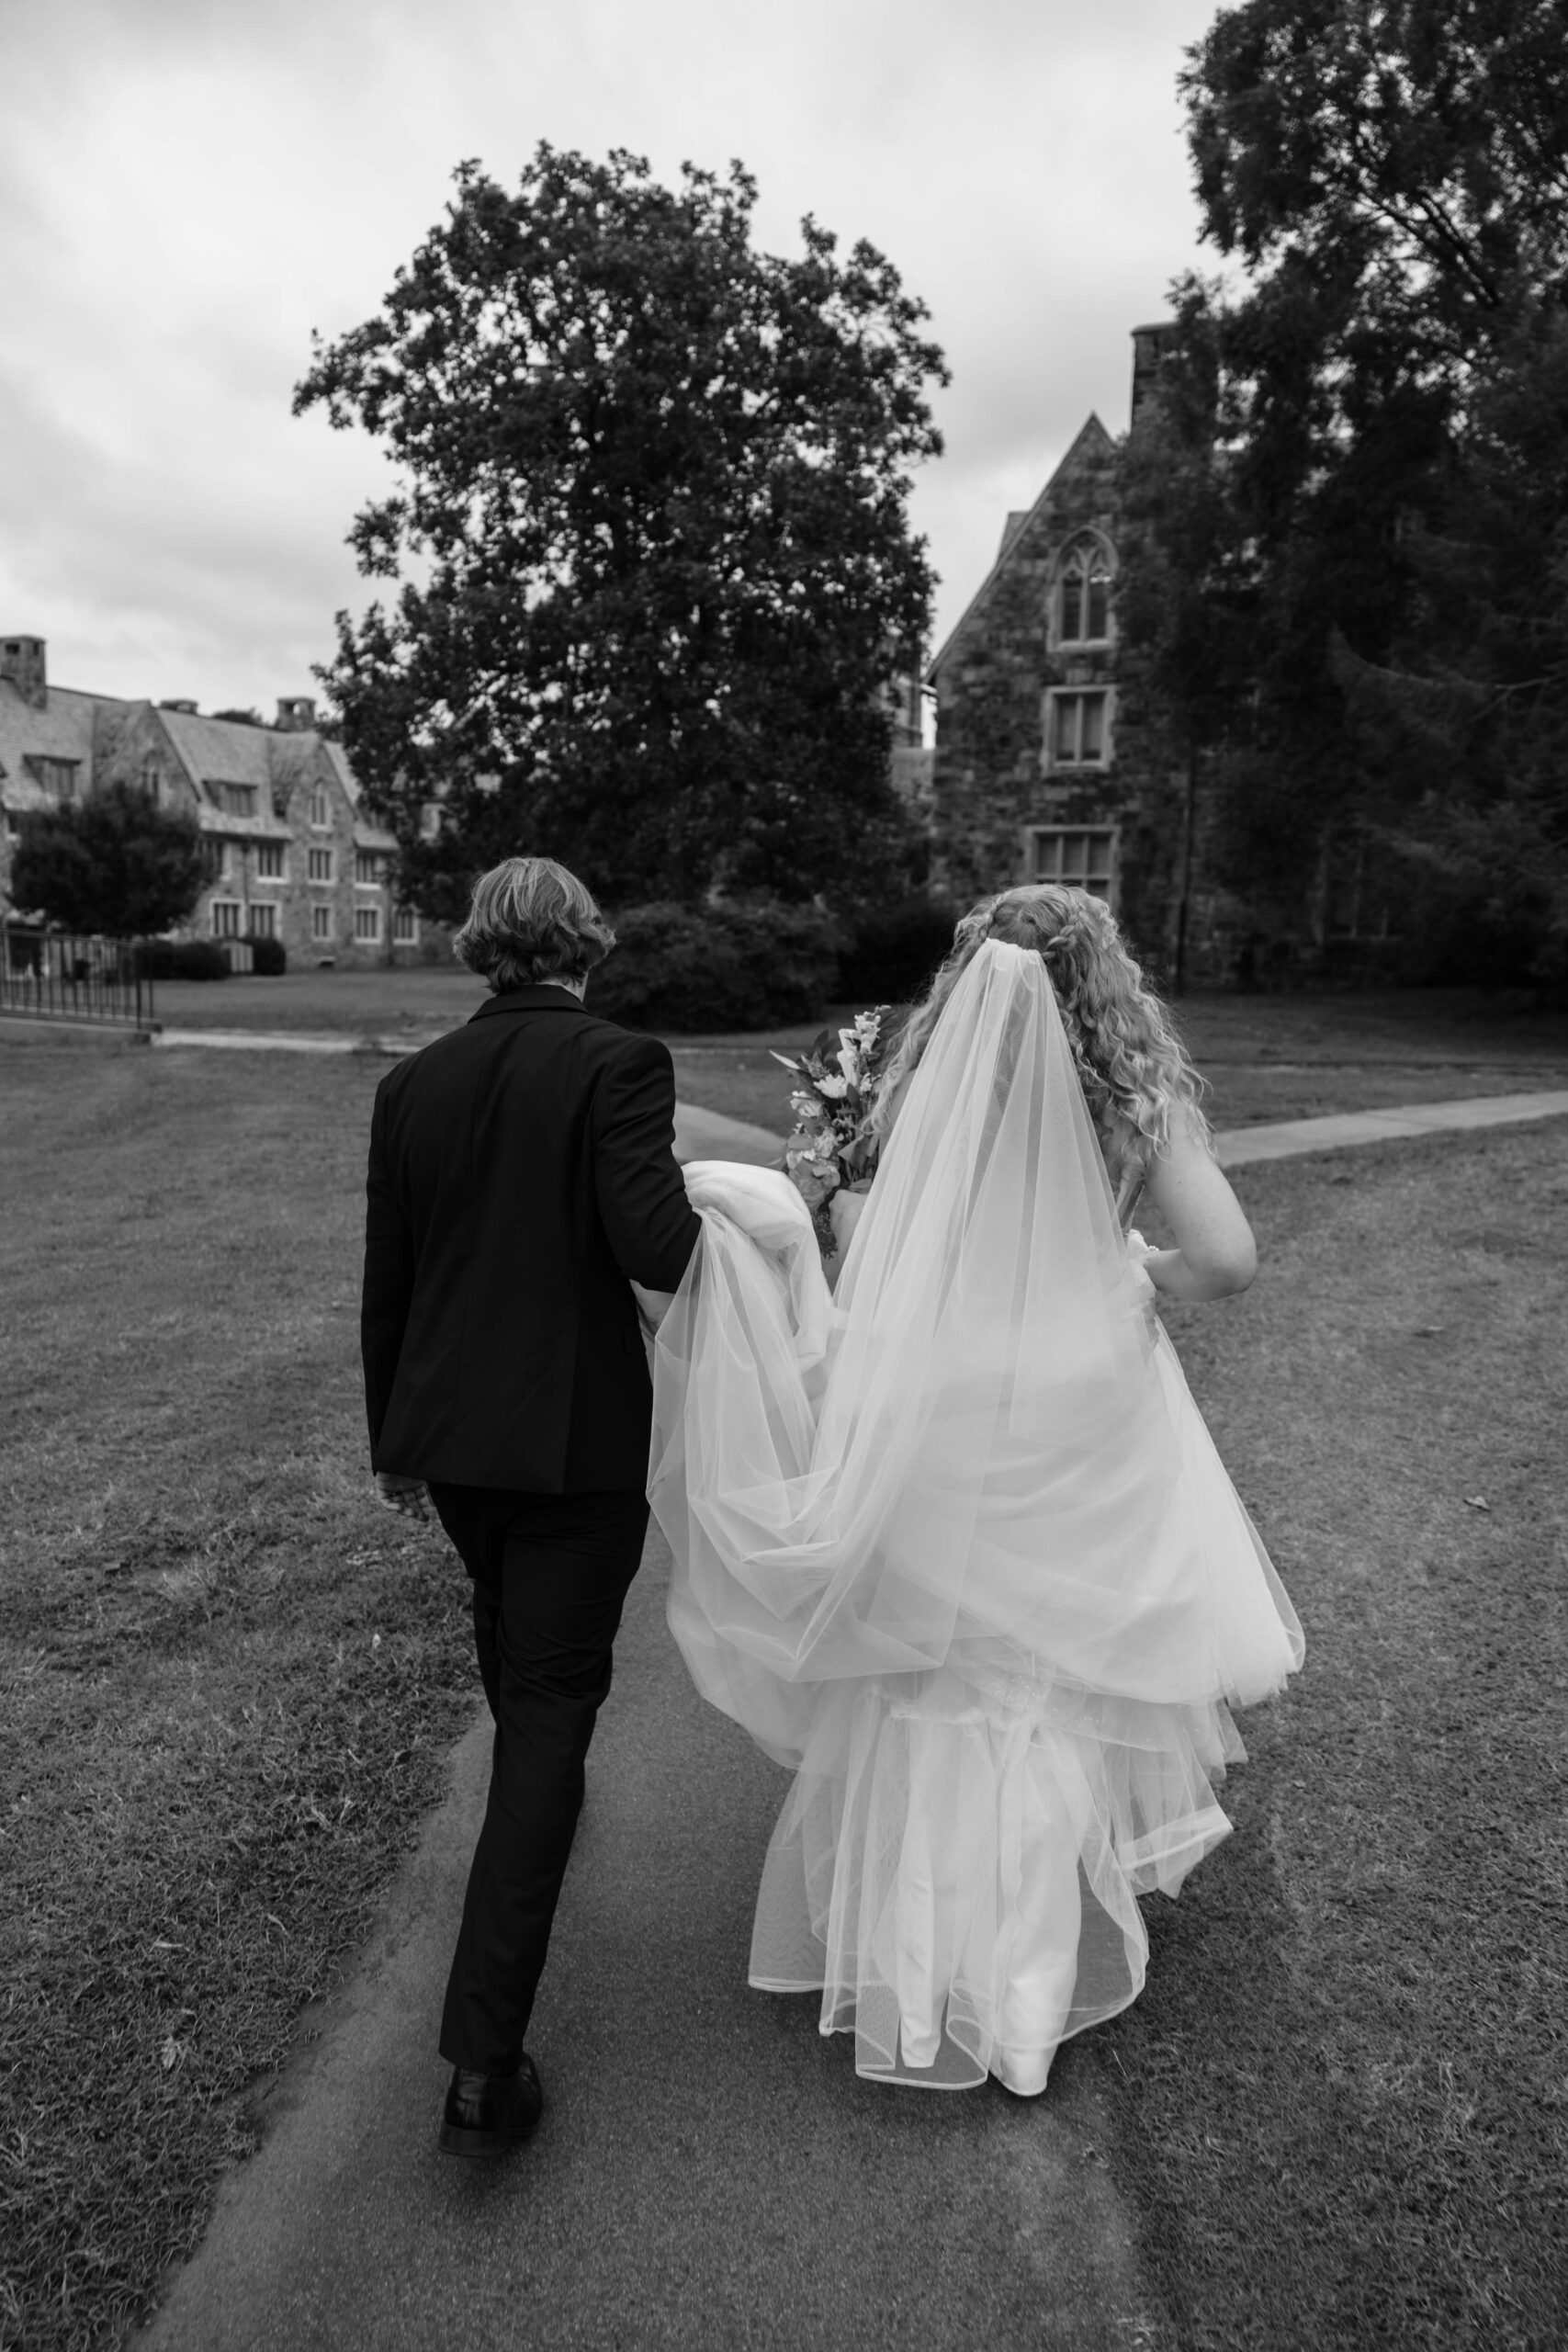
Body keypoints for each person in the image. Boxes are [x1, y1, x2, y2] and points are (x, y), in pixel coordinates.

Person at [647, 884, 1303, 2095]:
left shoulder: (928, 1092)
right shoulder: (1137, 1105)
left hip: (945, 1393)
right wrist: (1134, 1266)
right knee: (1044, 1680)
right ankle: (1021, 2001)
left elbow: (887, 1246)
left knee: (931, 1670)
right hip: (1080, 1399)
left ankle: (904, 1958)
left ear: (971, 982)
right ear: (1103, 983)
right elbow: (1227, 1260)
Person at [361, 856, 700, 2155]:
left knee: (509, 1630)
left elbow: (388, 1278)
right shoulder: (620, 1064)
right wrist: (777, 1215)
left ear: (481, 951)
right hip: (574, 1448)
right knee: (551, 1710)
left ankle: (533, 1797)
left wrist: (392, 1438)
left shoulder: (412, 1083)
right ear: (584, 944)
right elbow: (657, 1248)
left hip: (452, 1441)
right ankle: (482, 2067)